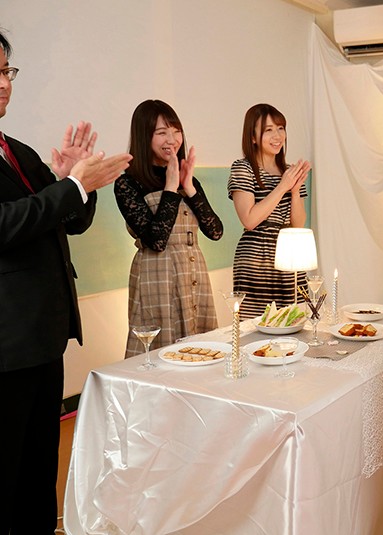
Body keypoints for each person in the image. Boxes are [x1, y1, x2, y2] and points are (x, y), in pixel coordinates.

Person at [0, 31, 132, 534]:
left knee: (39, 470)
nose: (4, 84)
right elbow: (6, 224)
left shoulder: (19, 151)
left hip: (44, 336)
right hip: (7, 345)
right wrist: (72, 185)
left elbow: (68, 220)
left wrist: (72, 182)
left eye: (7, 71)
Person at [115, 100, 223, 358]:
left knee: (200, 350)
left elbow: (215, 232)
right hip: (156, 276)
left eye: (176, 131)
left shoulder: (188, 179)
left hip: (193, 272)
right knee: (159, 354)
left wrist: (189, 187)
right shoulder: (128, 183)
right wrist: (171, 188)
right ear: (144, 136)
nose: (172, 139)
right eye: (162, 132)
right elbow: (157, 240)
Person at [228, 103, 311, 318]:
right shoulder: (243, 168)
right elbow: (249, 220)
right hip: (256, 258)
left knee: (293, 320)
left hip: (290, 253)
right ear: (253, 137)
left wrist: (294, 190)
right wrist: (283, 186)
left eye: (281, 128)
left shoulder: (289, 171)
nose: (277, 136)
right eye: (268, 130)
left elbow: (298, 225)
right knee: (257, 325)